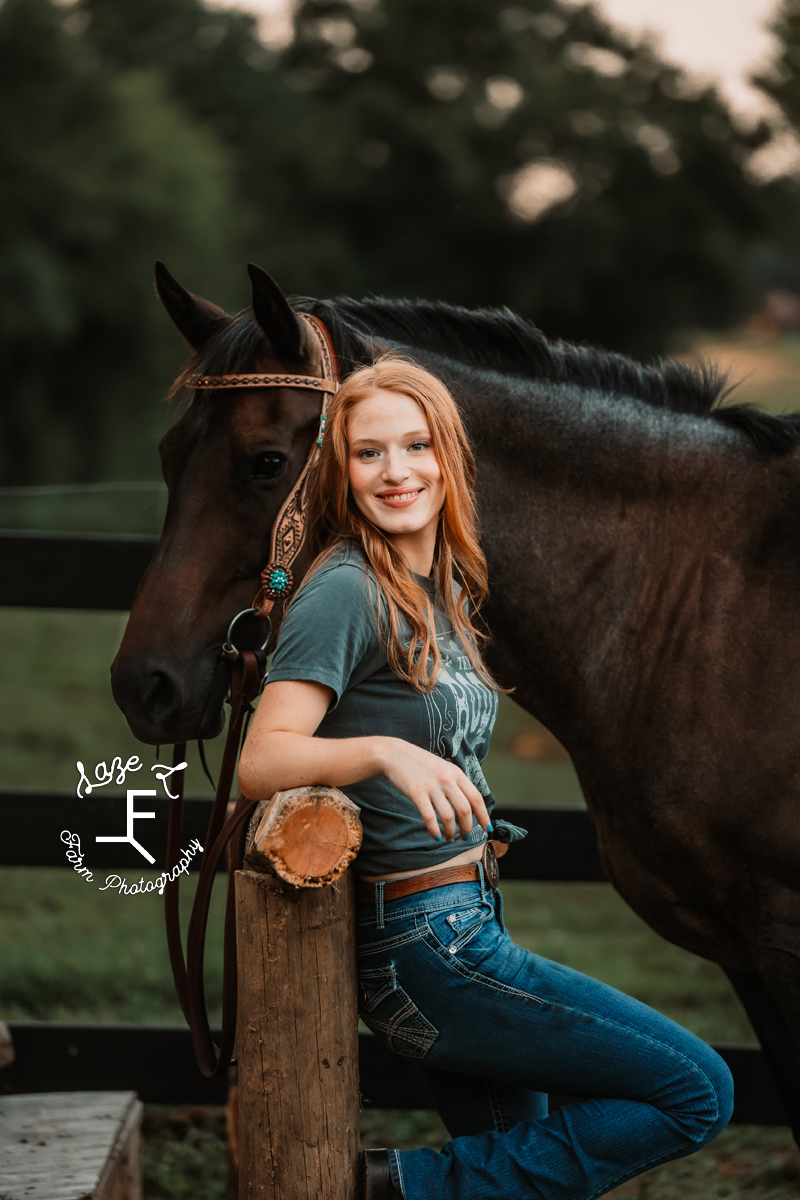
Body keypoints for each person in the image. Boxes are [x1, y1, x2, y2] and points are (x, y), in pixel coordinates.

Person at [237, 354, 733, 1200]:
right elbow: (262, 757)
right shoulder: (347, 588)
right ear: (343, 473)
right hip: (425, 945)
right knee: (697, 1090)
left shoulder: (442, 586)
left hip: (462, 922)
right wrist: (385, 753)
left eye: (415, 445)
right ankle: (392, 1189)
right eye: (368, 453)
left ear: (449, 456)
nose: (396, 472)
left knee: (520, 1171)